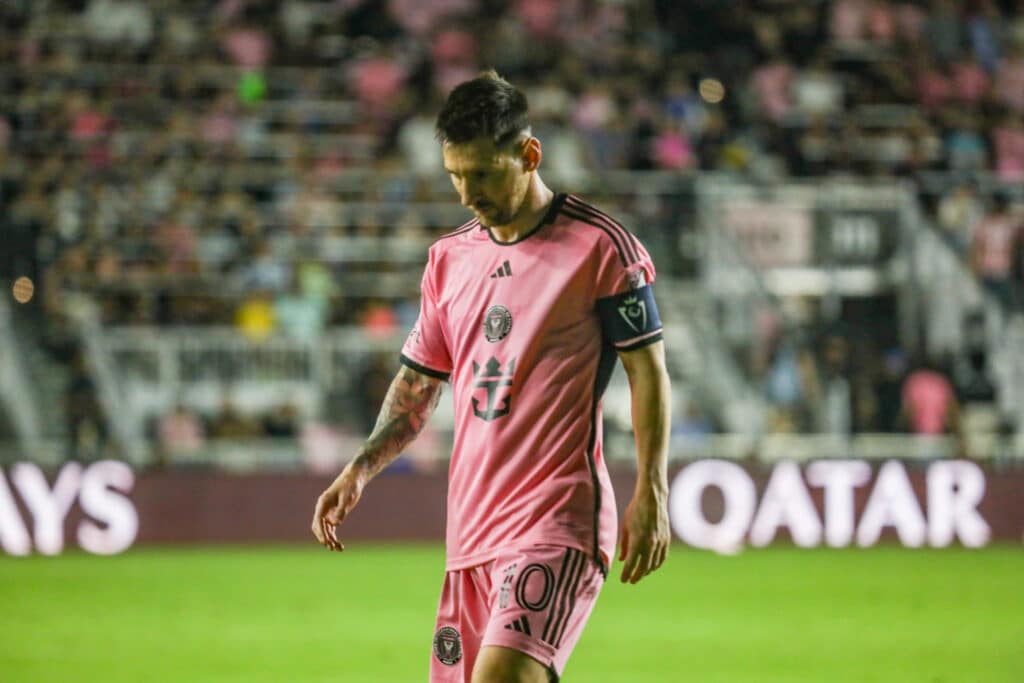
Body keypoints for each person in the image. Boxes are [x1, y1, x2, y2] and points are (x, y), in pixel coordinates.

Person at [311, 71, 671, 683]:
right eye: (456, 175)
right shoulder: (449, 260)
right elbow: (418, 385)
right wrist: (360, 468)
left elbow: (648, 370)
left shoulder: (600, 247)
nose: (466, 193)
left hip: (557, 517)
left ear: (529, 155)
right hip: (472, 529)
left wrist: (653, 489)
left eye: (482, 173)